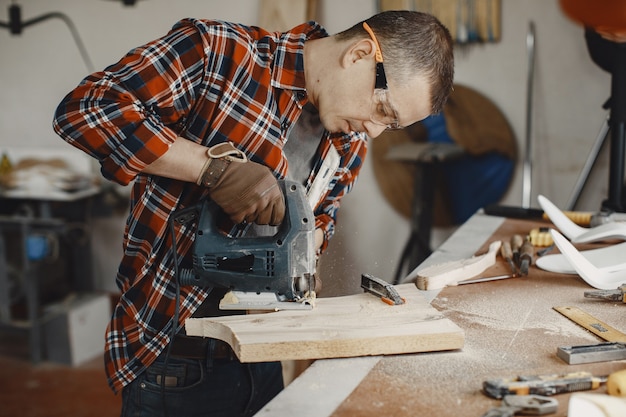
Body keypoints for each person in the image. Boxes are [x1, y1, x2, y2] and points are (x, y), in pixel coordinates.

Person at [53, 9, 453, 417]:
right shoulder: (218, 55)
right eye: (384, 111)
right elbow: (86, 110)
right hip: (175, 358)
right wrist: (211, 169)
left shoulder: (348, 141)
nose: (374, 130)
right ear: (361, 54)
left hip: (263, 356)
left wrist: (305, 242)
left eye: (393, 126)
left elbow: (322, 218)